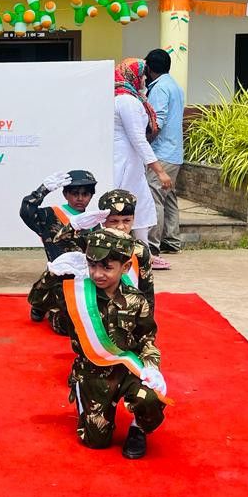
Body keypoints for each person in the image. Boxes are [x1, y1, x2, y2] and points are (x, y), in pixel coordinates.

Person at [45, 228, 167, 459]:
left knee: (151, 398)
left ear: (125, 267)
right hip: (93, 372)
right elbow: (39, 301)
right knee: (96, 441)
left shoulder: (136, 300)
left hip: (126, 370)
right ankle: (84, 399)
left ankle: (138, 429)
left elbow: (146, 339)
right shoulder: (77, 293)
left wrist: (152, 367)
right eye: (92, 266)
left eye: (107, 267)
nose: (98, 274)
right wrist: (52, 275)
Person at [113, 58, 173, 270]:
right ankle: (132, 255)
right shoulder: (126, 101)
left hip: (130, 161)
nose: (144, 80)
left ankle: (143, 254)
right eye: (142, 76)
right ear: (133, 76)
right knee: (126, 208)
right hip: (125, 161)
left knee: (141, 206)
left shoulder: (126, 98)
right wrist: (160, 171)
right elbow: (138, 138)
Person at [20, 169, 97, 327]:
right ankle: (43, 304)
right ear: (65, 194)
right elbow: (26, 212)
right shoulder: (50, 215)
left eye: (85, 194)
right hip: (57, 278)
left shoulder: (93, 221)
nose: (80, 198)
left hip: (85, 278)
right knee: (64, 325)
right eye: (75, 193)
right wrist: (43, 190)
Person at [51, 189, 155, 298]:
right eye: (114, 221)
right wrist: (73, 226)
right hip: (95, 302)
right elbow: (59, 242)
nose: (121, 227)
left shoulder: (139, 249)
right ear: (103, 221)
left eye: (126, 221)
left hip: (129, 303)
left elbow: (146, 288)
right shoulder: (93, 242)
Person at [144, 49, 186, 258]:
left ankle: (153, 245)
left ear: (149, 68)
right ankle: (171, 240)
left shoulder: (159, 88)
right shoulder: (175, 85)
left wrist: (144, 143)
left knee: (155, 198)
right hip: (174, 151)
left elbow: (157, 121)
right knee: (168, 197)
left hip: (161, 151)